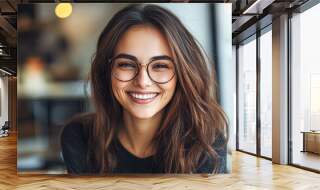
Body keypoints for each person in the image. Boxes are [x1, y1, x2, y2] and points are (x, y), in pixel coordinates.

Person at [60, 4, 229, 174]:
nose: (143, 81)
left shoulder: (207, 145)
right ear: (107, 71)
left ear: (182, 73)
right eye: (126, 64)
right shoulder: (79, 137)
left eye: (160, 65)